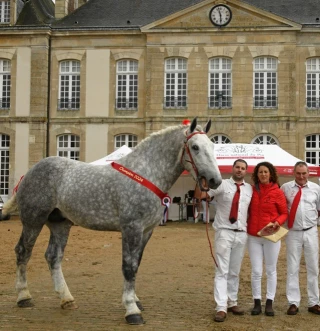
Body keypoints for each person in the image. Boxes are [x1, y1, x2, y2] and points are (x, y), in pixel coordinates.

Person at [207, 159, 252, 323]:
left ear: (246, 171)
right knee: (222, 270)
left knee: (234, 270)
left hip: (241, 233)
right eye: (237, 167)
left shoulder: (249, 189)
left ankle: (232, 301)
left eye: (243, 168)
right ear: (233, 169)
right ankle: (221, 306)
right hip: (224, 232)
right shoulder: (222, 184)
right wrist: (201, 182)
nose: (239, 170)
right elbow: (203, 195)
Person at [247, 162, 288, 317]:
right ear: (256, 175)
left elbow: (284, 213)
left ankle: (269, 302)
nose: (263, 174)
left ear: (271, 174)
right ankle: (257, 302)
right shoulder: (251, 190)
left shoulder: (277, 192)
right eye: (260, 172)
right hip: (253, 236)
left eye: (266, 172)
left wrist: (277, 222)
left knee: (271, 270)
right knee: (256, 271)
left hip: (271, 235)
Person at [281, 161, 320, 315]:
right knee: (292, 267)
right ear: (293, 173)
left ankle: (314, 302)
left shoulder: (316, 189)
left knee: (313, 267)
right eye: (298, 173)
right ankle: (293, 302)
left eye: (304, 173)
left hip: (311, 231)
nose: (301, 176)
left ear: (308, 173)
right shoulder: (285, 188)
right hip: (293, 232)